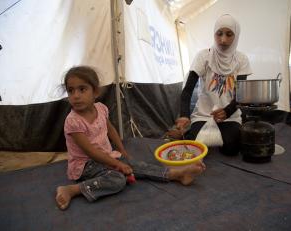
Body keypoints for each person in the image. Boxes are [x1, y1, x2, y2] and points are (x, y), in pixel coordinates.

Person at [55, 66, 205, 210]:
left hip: (106, 156)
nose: (75, 95)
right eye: (70, 90)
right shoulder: (73, 121)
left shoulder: (100, 108)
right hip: (85, 165)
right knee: (118, 180)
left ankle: (176, 174)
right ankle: (73, 189)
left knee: (134, 164)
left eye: (82, 89)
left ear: (95, 92)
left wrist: (121, 151)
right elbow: (91, 153)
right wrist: (117, 164)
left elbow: (110, 129)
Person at [174, 14, 252, 155]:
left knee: (231, 149)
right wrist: (185, 115)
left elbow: (241, 95)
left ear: (236, 36)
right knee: (196, 149)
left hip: (230, 116)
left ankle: (221, 136)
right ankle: (190, 133)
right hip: (204, 115)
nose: (223, 40)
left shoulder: (241, 60)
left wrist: (227, 111)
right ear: (214, 33)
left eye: (229, 35)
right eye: (219, 34)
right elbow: (187, 91)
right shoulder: (204, 56)